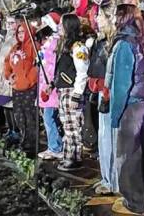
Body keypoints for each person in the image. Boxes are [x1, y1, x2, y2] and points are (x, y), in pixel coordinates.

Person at [107, 4, 144, 215]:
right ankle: (139, 195)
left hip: (131, 105)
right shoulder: (138, 39)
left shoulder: (125, 44)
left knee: (128, 155)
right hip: (142, 102)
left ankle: (134, 201)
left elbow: (121, 85)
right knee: (137, 152)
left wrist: (115, 115)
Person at [54, 13, 90, 171]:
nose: (58, 28)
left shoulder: (77, 47)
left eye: (61, 25)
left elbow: (82, 72)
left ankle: (75, 157)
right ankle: (68, 155)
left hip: (72, 91)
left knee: (73, 126)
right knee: (66, 125)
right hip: (63, 90)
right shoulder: (65, 45)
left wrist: (77, 93)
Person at [90, 10, 119, 196]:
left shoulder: (114, 44)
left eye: (100, 17)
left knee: (109, 138)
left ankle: (113, 181)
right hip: (100, 92)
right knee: (103, 137)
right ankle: (105, 177)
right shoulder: (99, 42)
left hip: (109, 94)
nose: (96, 20)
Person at [3, 22, 38, 156]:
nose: (21, 35)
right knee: (19, 116)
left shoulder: (34, 47)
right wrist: (8, 76)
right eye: (19, 32)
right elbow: (7, 62)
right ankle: (23, 140)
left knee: (30, 116)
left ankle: (30, 144)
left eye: (23, 32)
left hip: (29, 88)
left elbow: (37, 65)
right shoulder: (15, 48)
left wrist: (28, 80)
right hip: (16, 87)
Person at [37, 12, 63, 160]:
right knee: (47, 116)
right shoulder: (49, 41)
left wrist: (51, 82)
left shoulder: (56, 42)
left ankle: (55, 147)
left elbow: (54, 65)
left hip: (51, 85)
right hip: (44, 83)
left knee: (49, 117)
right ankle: (54, 144)